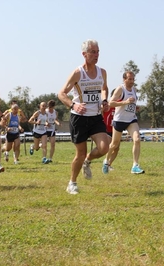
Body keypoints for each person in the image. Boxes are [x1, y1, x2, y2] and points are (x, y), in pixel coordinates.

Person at [57, 39, 110, 195]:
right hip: (79, 118)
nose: (96, 55)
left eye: (98, 51)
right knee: (79, 153)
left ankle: (88, 160)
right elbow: (61, 94)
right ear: (84, 54)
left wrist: (105, 100)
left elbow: (104, 88)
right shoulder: (78, 73)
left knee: (104, 147)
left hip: (95, 117)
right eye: (93, 52)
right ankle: (72, 183)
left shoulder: (102, 72)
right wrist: (74, 105)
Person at [102, 71, 145, 175]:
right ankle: (106, 161)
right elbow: (111, 103)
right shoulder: (120, 89)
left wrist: (135, 107)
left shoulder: (134, 90)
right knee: (114, 144)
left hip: (131, 119)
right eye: (129, 79)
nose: (132, 81)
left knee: (137, 139)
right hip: (119, 120)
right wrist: (125, 102)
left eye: (133, 79)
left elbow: (131, 104)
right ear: (124, 79)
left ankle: (135, 165)